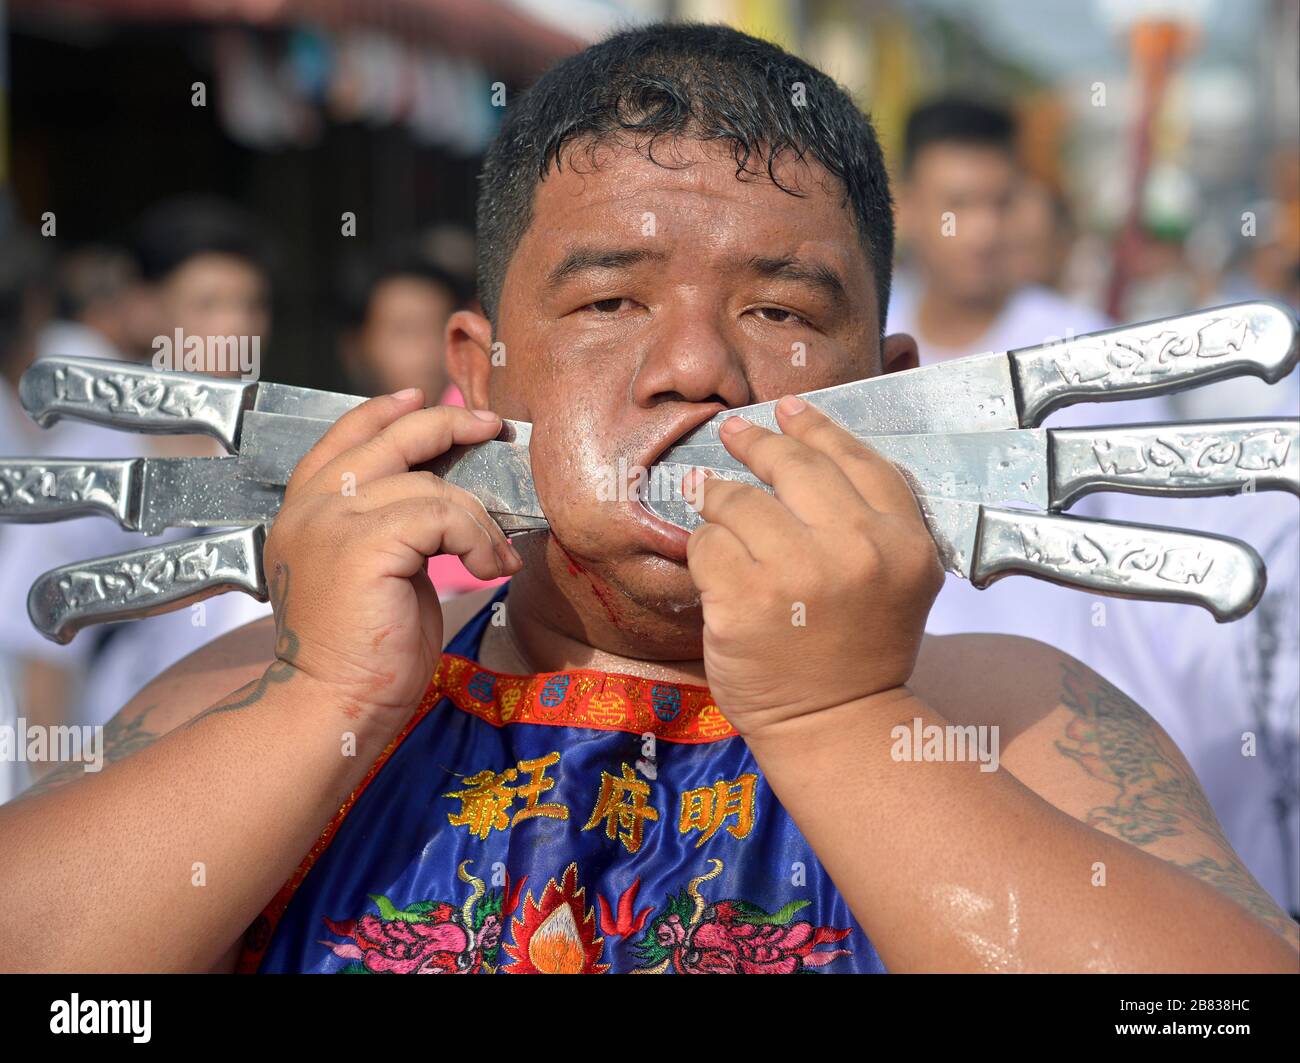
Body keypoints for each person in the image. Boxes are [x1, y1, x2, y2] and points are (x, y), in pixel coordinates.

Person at [1, 24, 1295, 974]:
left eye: (781, 311)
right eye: (610, 301)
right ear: (477, 372)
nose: (695, 369)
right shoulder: (278, 688)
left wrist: (836, 717)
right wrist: (323, 698)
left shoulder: (1008, 713)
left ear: (899, 393)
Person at [338, 238, 502, 599]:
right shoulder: (334, 454)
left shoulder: (491, 428)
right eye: (405, 331)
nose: (428, 351)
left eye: (436, 330)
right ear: (355, 346)